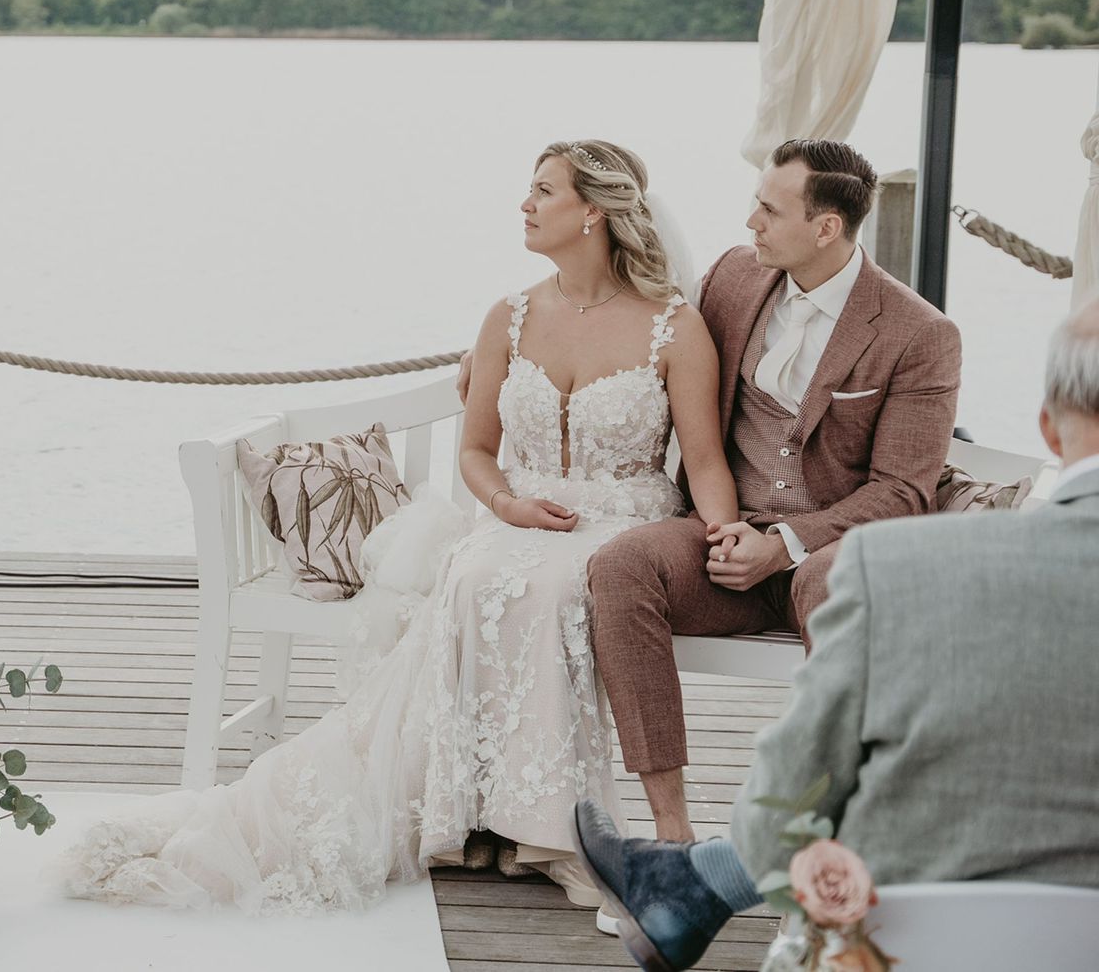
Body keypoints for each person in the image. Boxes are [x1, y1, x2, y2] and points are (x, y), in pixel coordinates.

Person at [66, 140, 737, 913]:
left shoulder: (671, 327)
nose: (524, 203)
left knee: (555, 590)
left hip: (623, 523)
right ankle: (479, 817)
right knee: (478, 575)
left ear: (593, 212)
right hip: (521, 516)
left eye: (543, 190)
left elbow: (707, 463)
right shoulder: (509, 318)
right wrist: (510, 506)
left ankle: (555, 833)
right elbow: (478, 452)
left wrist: (722, 537)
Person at [573, 300, 1099, 972]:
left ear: (1050, 430)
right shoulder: (738, 283)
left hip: (918, 947)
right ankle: (686, 879)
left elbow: (792, 796)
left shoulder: (901, 568)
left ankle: (690, 885)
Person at [586, 139, 960, 844]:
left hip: (828, 552)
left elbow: (904, 491)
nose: (749, 220)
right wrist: (504, 365)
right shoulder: (732, 278)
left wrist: (785, 544)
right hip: (721, 537)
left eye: (768, 208)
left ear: (826, 228)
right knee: (621, 565)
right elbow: (638, 335)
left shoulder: (919, 333)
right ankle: (672, 835)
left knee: (839, 586)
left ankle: (832, 834)